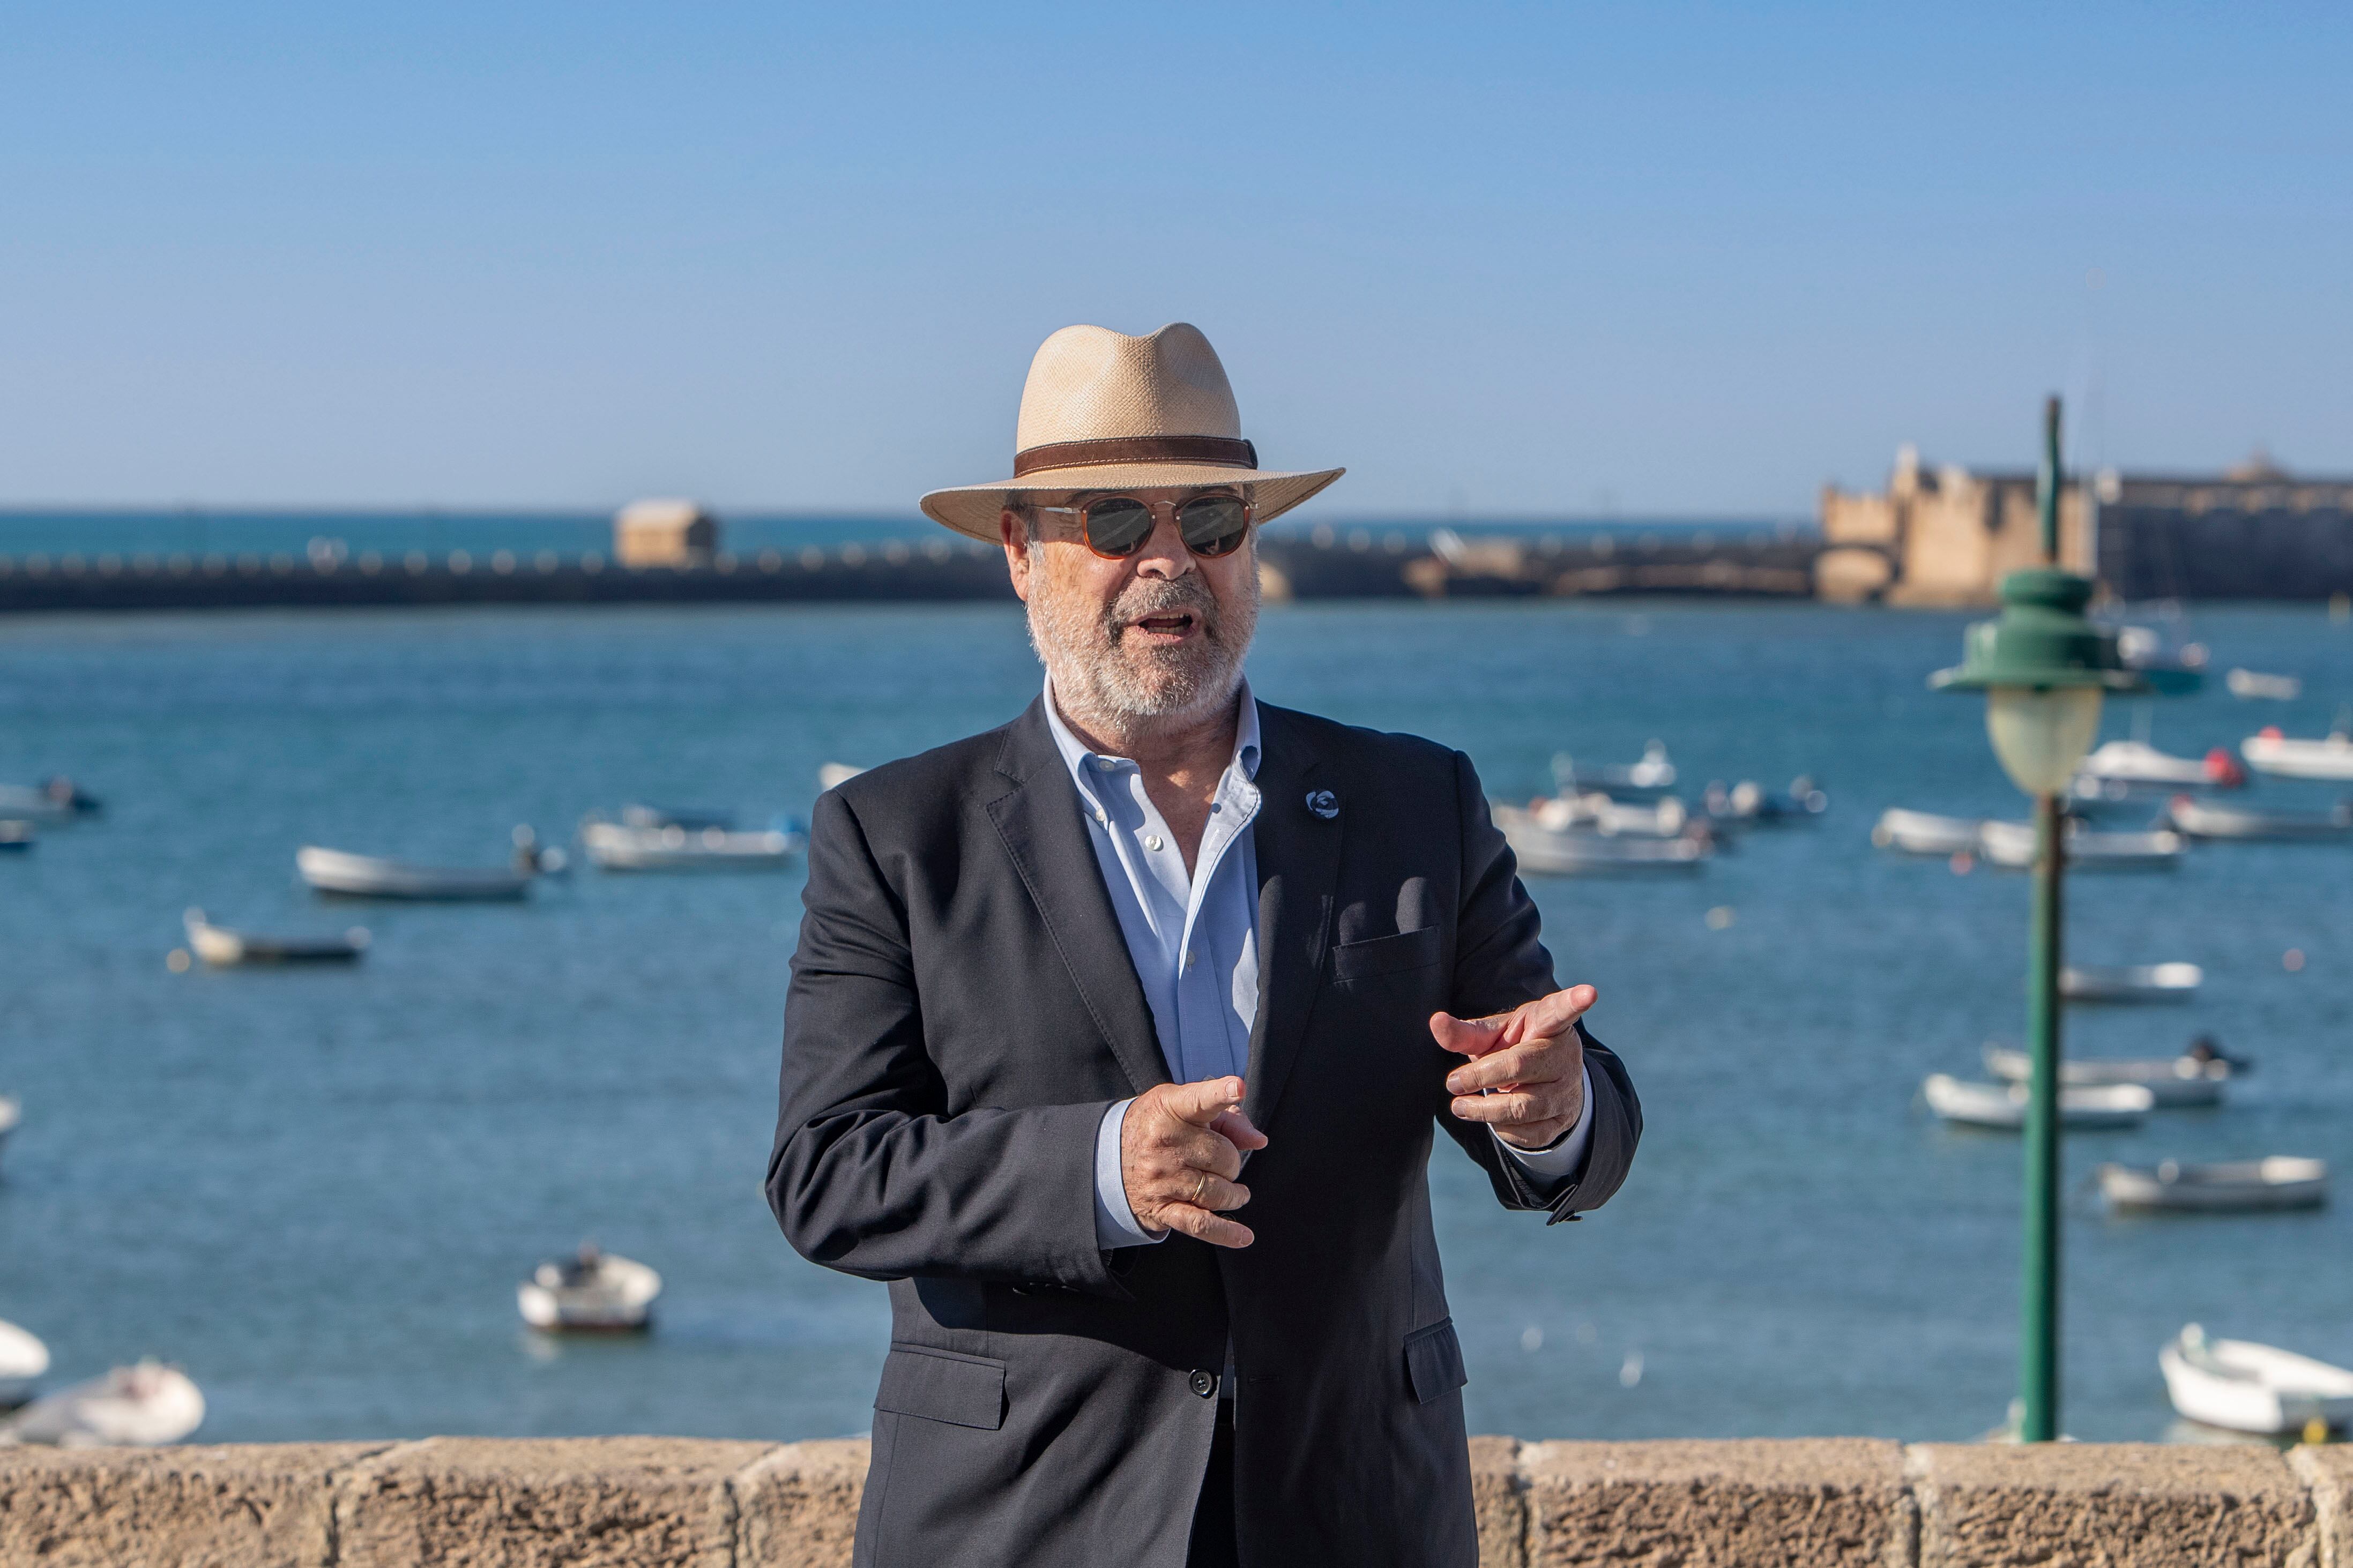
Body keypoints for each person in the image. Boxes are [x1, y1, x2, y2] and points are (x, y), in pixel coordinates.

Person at [766, 322, 1641, 1568]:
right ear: (1019, 552)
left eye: (1213, 521)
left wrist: (1549, 1111)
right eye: (1115, 522)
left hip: (1355, 1512)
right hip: (1017, 1522)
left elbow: (1572, 1113)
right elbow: (829, 1172)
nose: (1169, 561)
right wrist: (1105, 1166)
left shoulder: (1413, 802)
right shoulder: (896, 836)